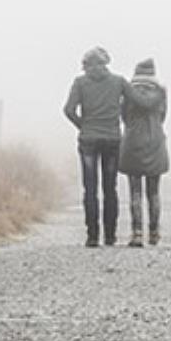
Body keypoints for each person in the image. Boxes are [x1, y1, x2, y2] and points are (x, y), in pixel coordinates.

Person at [63, 47, 138, 247]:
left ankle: (92, 236)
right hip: (112, 139)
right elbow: (135, 103)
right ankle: (111, 236)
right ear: (106, 62)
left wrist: (83, 125)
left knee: (90, 188)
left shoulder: (80, 82)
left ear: (86, 64)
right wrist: (120, 117)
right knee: (110, 188)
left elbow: (68, 110)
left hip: (88, 140)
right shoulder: (119, 81)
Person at [119, 58, 169, 246]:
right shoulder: (161, 92)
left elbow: (123, 116)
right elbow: (163, 116)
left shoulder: (128, 93)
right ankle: (154, 232)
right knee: (154, 192)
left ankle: (137, 233)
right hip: (155, 141)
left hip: (133, 142)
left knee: (135, 191)